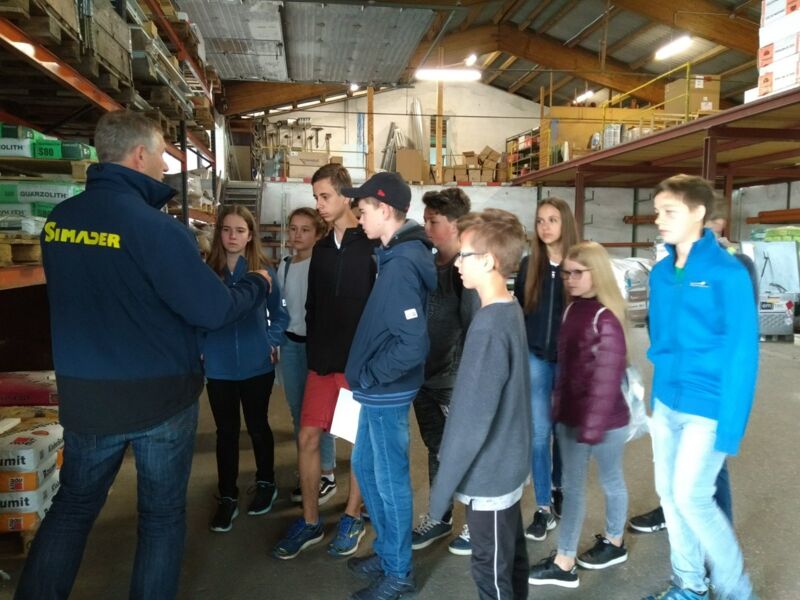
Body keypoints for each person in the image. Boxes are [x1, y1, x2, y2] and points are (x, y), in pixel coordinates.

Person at [16, 110, 270, 600]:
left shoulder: (59, 222)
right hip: (159, 398)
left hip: (87, 396)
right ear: (138, 155)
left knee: (72, 509)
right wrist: (257, 285)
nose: (164, 168)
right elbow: (212, 309)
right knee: (160, 517)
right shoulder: (156, 229)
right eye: (161, 157)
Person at [642, 175, 759, 600]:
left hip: (708, 405)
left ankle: (737, 591)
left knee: (692, 498)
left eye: (669, 211)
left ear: (698, 213)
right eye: (657, 211)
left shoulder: (727, 273)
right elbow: (659, 336)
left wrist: (731, 426)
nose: (659, 220)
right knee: (670, 498)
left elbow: (743, 353)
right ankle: (689, 584)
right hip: (666, 402)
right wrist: (656, 397)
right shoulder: (660, 273)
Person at [272, 164, 377, 560]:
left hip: (357, 367)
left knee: (359, 445)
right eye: (316, 196)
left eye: (325, 196)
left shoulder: (371, 245)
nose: (318, 204)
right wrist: (315, 352)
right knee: (307, 437)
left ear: (346, 195)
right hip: (322, 363)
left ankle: (352, 516)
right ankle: (310, 520)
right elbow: (313, 306)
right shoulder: (320, 249)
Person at [429, 209, 531, 600]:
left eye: (465, 254)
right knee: (510, 558)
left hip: (490, 474)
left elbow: (471, 421)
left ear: (488, 261)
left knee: (491, 571)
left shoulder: (488, 326)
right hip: (506, 464)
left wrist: (440, 495)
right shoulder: (509, 308)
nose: (457, 262)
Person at [343, 172, 436, 600]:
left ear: (384, 210)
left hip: (385, 391)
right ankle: (387, 552)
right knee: (365, 467)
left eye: (363, 210)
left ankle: (399, 573)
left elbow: (413, 343)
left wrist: (372, 374)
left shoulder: (400, 265)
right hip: (375, 389)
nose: (358, 217)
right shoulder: (392, 255)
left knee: (389, 479)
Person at [528, 241, 629, 589]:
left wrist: (591, 426)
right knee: (572, 489)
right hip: (572, 420)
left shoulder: (605, 318)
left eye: (577, 273)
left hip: (606, 422)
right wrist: (560, 410)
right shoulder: (572, 311)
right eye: (566, 273)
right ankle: (564, 560)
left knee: (611, 481)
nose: (569, 279)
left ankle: (615, 541)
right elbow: (567, 369)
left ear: (596, 273)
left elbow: (606, 380)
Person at [202, 204, 289, 532]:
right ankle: (227, 496)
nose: (232, 236)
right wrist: (201, 349)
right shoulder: (208, 272)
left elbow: (280, 315)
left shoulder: (263, 271)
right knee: (225, 432)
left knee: (257, 426)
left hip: (256, 365)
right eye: (226, 230)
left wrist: (270, 341)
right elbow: (196, 316)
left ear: (250, 235)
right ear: (219, 233)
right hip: (219, 367)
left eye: (240, 230)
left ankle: (266, 482)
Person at [410, 188, 479, 556]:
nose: (426, 228)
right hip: (423, 376)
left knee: (464, 451)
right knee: (436, 448)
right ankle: (440, 516)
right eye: (425, 221)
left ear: (454, 224)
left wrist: (469, 381)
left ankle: (475, 523)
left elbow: (474, 328)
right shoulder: (428, 263)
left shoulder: (464, 271)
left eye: (433, 222)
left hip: (453, 381)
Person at [514, 198, 579, 541]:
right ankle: (542, 507)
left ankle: (558, 487)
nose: (546, 227)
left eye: (553, 219)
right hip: (536, 358)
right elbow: (521, 311)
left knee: (563, 432)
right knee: (539, 434)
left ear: (565, 223)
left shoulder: (580, 265)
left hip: (570, 362)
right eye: (540, 220)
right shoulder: (530, 265)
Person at [276, 207, 335, 501]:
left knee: (319, 414)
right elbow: (279, 308)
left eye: (305, 229)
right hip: (290, 345)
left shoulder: (322, 265)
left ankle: (326, 473)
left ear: (318, 234)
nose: (297, 235)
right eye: (293, 228)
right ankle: (307, 469)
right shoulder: (285, 265)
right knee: (296, 409)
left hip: (316, 347)